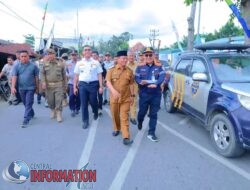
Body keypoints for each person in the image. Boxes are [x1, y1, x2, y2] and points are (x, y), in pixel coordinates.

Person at [135, 47, 165, 142]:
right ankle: (140, 121)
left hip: (156, 94)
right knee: (141, 113)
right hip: (144, 94)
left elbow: (162, 77)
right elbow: (136, 78)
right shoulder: (140, 67)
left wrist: (155, 84)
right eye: (146, 55)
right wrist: (140, 82)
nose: (148, 56)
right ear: (144, 56)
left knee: (153, 114)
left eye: (150, 55)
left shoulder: (159, 66)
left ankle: (151, 133)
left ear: (153, 55)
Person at [106, 50, 134, 146]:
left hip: (125, 98)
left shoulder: (129, 71)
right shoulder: (111, 70)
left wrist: (132, 95)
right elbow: (108, 82)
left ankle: (126, 136)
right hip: (114, 98)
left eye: (126, 58)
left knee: (124, 117)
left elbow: (131, 84)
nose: (125, 60)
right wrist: (113, 91)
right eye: (123, 58)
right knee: (115, 115)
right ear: (117, 59)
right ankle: (116, 128)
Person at [73, 45, 103, 129]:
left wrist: (101, 86)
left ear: (91, 52)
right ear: (83, 52)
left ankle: (95, 111)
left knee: (93, 101)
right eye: (85, 50)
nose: (87, 51)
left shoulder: (96, 62)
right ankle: (85, 121)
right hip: (82, 84)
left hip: (93, 84)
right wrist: (75, 87)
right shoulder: (79, 63)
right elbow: (76, 76)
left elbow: (99, 75)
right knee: (84, 103)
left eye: (89, 50)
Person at [11, 50, 39, 127]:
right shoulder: (16, 66)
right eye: (22, 56)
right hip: (21, 88)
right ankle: (31, 113)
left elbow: (36, 77)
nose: (23, 58)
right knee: (25, 103)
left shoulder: (33, 66)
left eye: (25, 56)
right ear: (19, 57)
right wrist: (13, 87)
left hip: (31, 87)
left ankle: (26, 119)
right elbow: (14, 77)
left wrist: (37, 87)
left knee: (29, 102)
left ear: (28, 56)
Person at [41, 49, 67, 123]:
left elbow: (64, 76)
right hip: (49, 86)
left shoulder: (61, 64)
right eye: (48, 54)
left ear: (54, 54)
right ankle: (52, 110)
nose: (49, 55)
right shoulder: (44, 64)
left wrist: (65, 86)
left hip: (59, 85)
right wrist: (43, 82)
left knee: (58, 100)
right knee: (50, 100)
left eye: (51, 54)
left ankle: (59, 113)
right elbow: (42, 74)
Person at [66, 50, 80, 117]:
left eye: (75, 55)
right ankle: (72, 109)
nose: (73, 56)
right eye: (72, 55)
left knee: (78, 97)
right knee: (71, 96)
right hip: (71, 82)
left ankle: (77, 108)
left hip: (79, 82)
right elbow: (65, 71)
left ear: (77, 55)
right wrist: (67, 75)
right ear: (70, 55)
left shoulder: (80, 63)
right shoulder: (68, 63)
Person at [127, 51, 138, 125]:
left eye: (132, 56)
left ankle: (133, 117)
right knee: (126, 100)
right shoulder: (125, 64)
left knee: (134, 100)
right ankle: (127, 113)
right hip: (126, 85)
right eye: (130, 56)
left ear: (134, 57)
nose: (131, 57)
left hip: (135, 85)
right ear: (127, 56)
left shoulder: (138, 65)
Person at [92, 50, 104, 116]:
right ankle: (95, 108)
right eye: (93, 55)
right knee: (93, 97)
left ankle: (100, 108)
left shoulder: (101, 64)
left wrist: (102, 84)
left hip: (99, 82)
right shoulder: (90, 63)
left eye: (95, 55)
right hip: (92, 83)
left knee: (100, 96)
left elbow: (103, 73)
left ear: (97, 56)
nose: (94, 56)